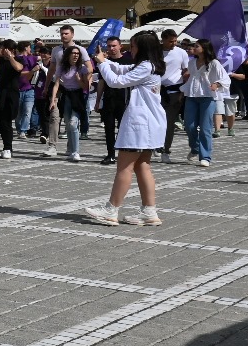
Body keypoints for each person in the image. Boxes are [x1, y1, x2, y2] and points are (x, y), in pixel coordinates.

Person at [85, 32, 168, 226]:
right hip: (150, 122)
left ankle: (110, 209)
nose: (130, 49)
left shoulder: (146, 66)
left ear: (142, 47)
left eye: (132, 46)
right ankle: (149, 211)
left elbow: (117, 82)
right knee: (142, 166)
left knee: (124, 166)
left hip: (141, 123)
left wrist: (102, 64)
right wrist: (104, 61)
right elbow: (123, 69)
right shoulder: (151, 65)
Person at [182, 38, 228, 168]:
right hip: (191, 96)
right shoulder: (192, 62)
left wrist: (217, 84)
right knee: (189, 126)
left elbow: (225, 79)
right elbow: (191, 77)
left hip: (207, 98)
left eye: (196, 46)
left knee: (205, 128)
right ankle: (195, 148)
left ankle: (205, 156)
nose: (193, 48)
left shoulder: (214, 63)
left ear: (204, 48)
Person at [47, 44, 90, 162]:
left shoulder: (82, 68)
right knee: (67, 123)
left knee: (72, 123)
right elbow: (56, 84)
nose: (75, 55)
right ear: (68, 55)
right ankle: (71, 149)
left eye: (77, 54)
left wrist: (78, 79)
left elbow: (85, 86)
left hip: (77, 96)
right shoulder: (61, 68)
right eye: (73, 53)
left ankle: (76, 152)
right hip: (66, 96)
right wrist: (53, 100)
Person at [97, 35, 131, 165]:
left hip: (124, 99)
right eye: (109, 46)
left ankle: (124, 153)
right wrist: (98, 100)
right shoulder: (104, 61)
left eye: (114, 46)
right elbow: (101, 81)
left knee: (123, 128)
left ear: (120, 46)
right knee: (108, 128)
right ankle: (110, 154)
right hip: (109, 99)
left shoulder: (128, 60)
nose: (111, 48)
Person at [158, 29, 189, 161]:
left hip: (174, 90)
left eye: (175, 41)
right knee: (156, 121)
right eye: (171, 41)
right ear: (163, 40)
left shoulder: (181, 52)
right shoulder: (155, 52)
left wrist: (183, 89)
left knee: (169, 122)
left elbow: (186, 71)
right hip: (156, 90)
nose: (174, 44)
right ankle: (155, 146)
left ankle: (166, 150)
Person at [0, 42, 19, 159]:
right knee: (1, 121)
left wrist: (10, 57)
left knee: (6, 122)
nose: (1, 51)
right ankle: (7, 147)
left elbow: (18, 68)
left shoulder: (18, 59)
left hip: (11, 95)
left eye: (3, 49)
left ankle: (8, 147)